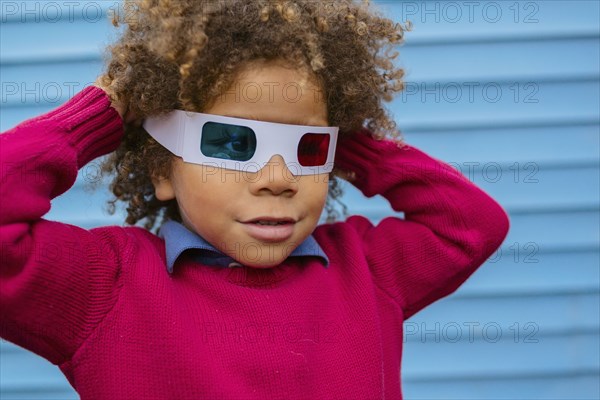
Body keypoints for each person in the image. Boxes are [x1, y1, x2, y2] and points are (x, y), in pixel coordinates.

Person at [0, 1, 510, 398]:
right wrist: (100, 116)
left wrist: (347, 138)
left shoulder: (365, 271)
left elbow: (470, 223)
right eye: (231, 143)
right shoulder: (105, 288)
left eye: (305, 149)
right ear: (163, 170)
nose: (276, 178)